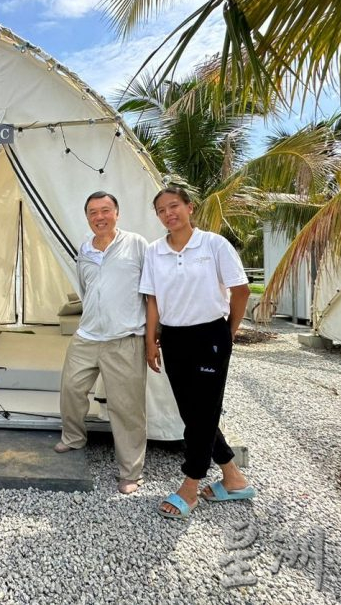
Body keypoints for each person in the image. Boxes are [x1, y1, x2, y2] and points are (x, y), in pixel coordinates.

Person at [140, 184, 255, 519]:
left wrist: (228, 332)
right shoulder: (154, 252)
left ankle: (190, 485)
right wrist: (151, 340)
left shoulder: (213, 244)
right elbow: (152, 300)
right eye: (161, 210)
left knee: (203, 413)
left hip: (210, 335)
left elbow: (242, 290)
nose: (168, 214)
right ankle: (233, 478)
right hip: (173, 338)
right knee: (193, 414)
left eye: (174, 206)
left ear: (190, 207)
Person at [55, 191, 150, 495]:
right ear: (87, 217)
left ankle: (131, 471)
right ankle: (73, 438)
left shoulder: (136, 244)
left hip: (124, 339)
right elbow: (86, 288)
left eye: (105, 210)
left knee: (127, 407)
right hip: (87, 336)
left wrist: (152, 337)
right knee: (71, 388)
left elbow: (151, 291)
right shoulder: (85, 248)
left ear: (117, 213)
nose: (100, 217)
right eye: (93, 212)